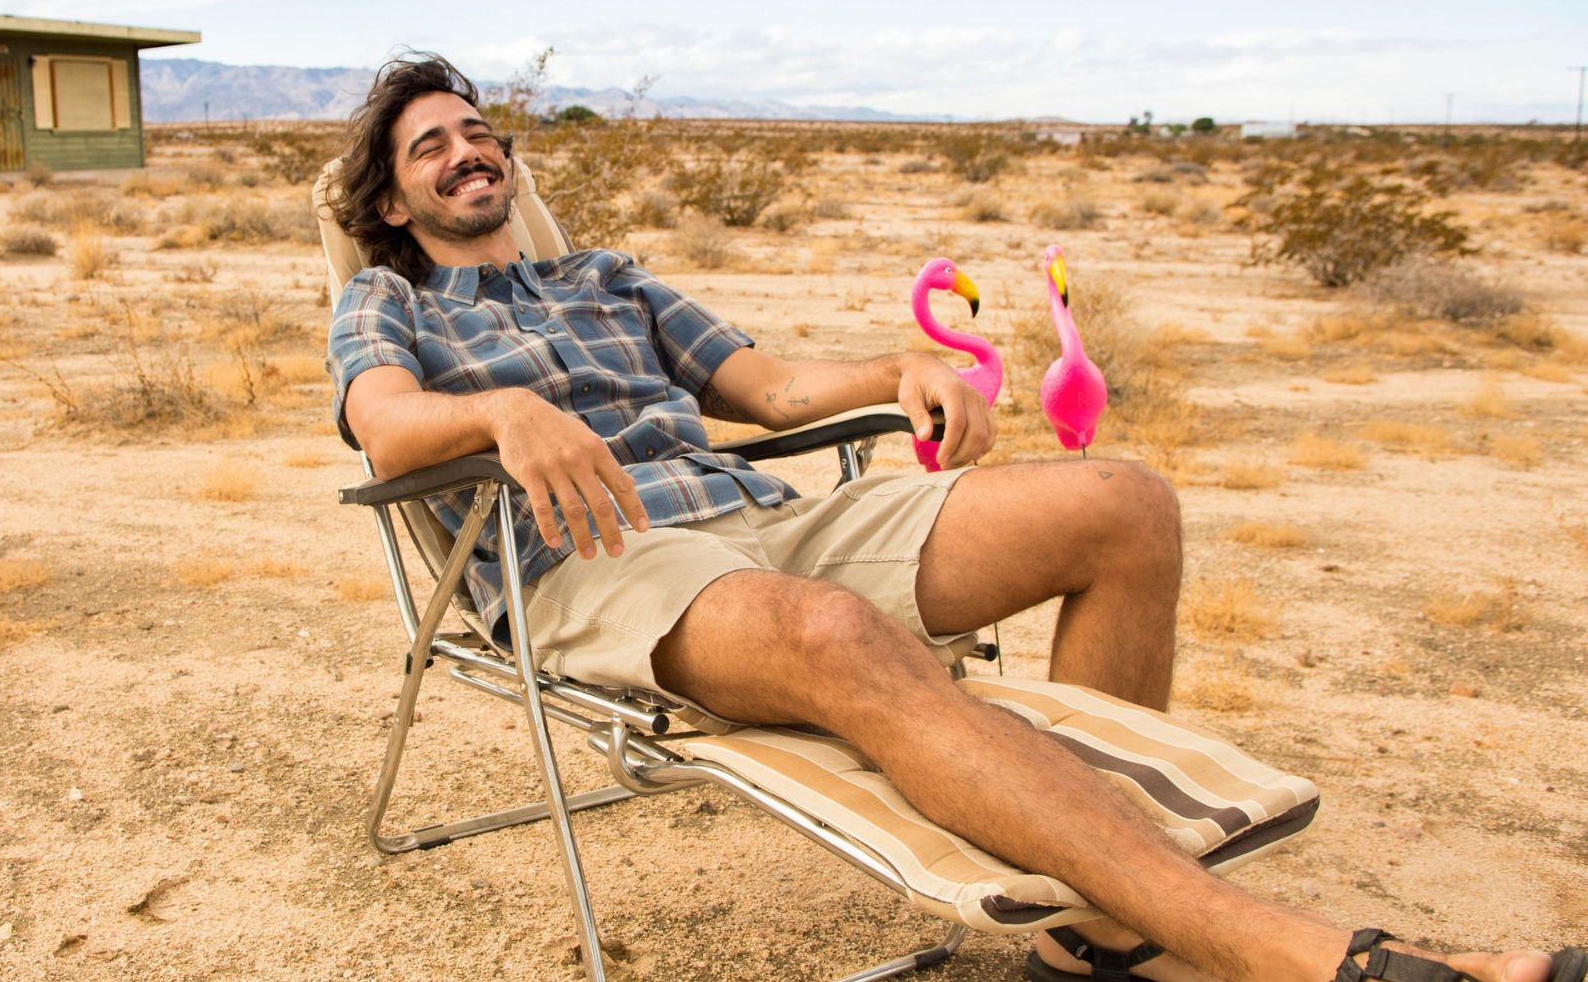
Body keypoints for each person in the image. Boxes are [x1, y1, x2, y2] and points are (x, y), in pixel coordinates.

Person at [321, 51, 1580, 982]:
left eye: (476, 130)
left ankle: (1094, 919)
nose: (464, 151)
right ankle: (1285, 952)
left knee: (1121, 504)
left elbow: (771, 390)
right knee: (827, 634)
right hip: (595, 561)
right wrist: (497, 413)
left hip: (755, 521)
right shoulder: (389, 305)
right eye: (427, 146)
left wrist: (896, 370)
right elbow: (383, 421)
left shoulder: (607, 278)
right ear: (391, 200)